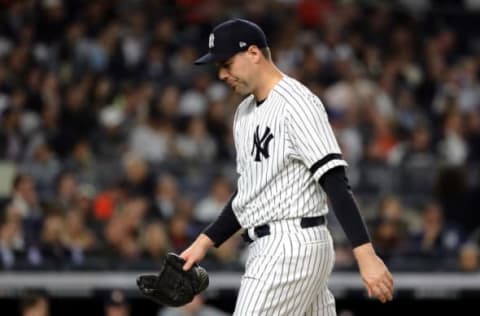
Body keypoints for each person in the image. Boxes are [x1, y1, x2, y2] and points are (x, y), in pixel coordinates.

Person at [180, 18, 394, 315]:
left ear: (254, 53)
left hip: (289, 245)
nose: (221, 75)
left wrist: (366, 255)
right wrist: (204, 242)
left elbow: (335, 181)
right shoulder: (244, 112)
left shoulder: (297, 103)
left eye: (226, 64)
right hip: (279, 244)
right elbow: (250, 192)